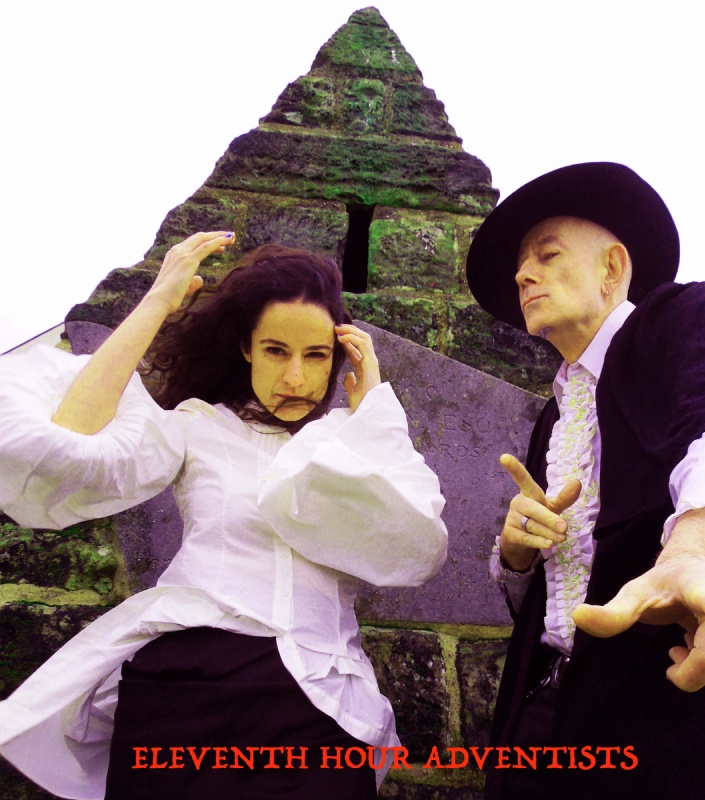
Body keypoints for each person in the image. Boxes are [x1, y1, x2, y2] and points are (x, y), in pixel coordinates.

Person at [0, 231, 448, 799]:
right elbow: (65, 445)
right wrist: (158, 300)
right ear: (246, 348)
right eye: (276, 351)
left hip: (319, 705)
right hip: (184, 689)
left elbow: (420, 545)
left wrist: (375, 413)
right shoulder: (198, 425)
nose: (296, 378)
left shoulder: (351, 444)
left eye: (316, 355)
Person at [465, 163, 705, 799]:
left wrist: (700, 550)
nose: (523, 275)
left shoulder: (687, 319)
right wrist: (517, 554)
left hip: (658, 721)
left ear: (612, 268)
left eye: (547, 255)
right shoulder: (556, 417)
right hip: (538, 717)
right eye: (521, 266)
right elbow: (552, 596)